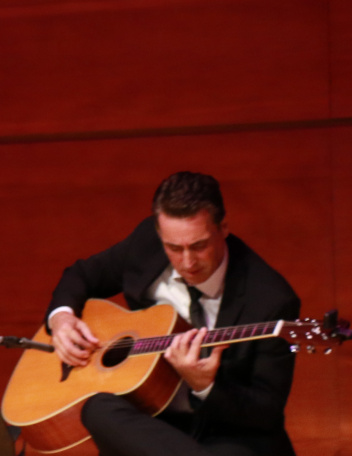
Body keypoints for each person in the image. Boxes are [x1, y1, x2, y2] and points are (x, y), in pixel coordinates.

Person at [46, 171, 300, 456]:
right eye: (174, 248)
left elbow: (265, 412)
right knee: (97, 408)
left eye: (199, 246)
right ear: (160, 235)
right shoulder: (146, 243)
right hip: (154, 420)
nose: (188, 262)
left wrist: (205, 385)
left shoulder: (270, 300)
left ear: (223, 228)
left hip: (229, 430)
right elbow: (81, 275)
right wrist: (61, 319)